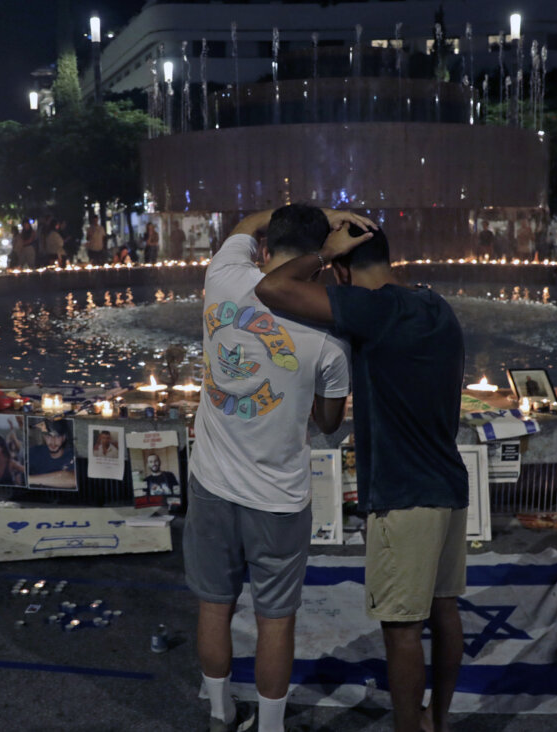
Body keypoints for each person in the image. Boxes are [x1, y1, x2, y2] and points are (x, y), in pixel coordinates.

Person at [255, 220, 467, 732]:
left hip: (402, 494)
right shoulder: (438, 308)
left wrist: (323, 253)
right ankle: (436, 720)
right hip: (449, 486)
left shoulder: (377, 311)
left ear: (345, 271)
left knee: (401, 629)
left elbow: (273, 290)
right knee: (444, 612)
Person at [185, 204, 355, 732]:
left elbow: (240, 226)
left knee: (214, 605)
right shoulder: (329, 334)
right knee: (274, 618)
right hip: (278, 498)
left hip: (210, 482)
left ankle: (219, 713)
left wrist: (323, 212)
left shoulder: (223, 276)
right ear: (320, 264)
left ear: (264, 248)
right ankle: (272, 726)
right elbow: (328, 424)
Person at [28, 418, 76, 489]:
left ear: (64, 437)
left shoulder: (72, 455)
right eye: (49, 436)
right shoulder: (34, 452)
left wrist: (28, 479)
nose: (53, 441)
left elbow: (73, 480)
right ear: (44, 437)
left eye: (57, 436)